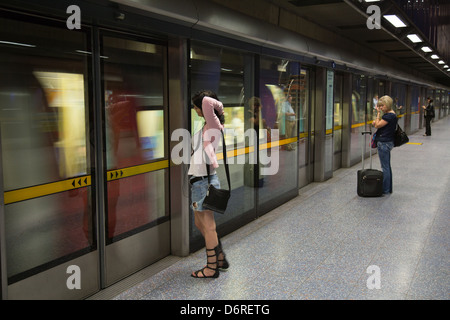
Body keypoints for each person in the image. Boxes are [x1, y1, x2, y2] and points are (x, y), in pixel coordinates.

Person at [189, 90, 229, 278]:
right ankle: (219, 256)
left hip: (204, 182)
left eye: (196, 106)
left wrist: (206, 102)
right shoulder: (206, 126)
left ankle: (211, 267)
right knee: (200, 223)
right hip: (198, 182)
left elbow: (206, 102)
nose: (195, 109)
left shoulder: (214, 126)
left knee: (208, 225)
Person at [372, 95, 398, 195]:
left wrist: (378, 114)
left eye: (382, 106)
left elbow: (377, 125)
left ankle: (386, 189)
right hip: (388, 141)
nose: (381, 108)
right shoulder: (392, 114)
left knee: (385, 167)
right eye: (380, 106)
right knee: (387, 166)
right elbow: (377, 124)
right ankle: (388, 188)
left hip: (384, 143)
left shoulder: (388, 116)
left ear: (387, 105)